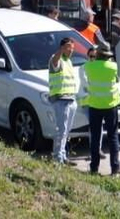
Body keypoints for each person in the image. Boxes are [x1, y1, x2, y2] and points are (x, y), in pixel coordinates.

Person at [82, 43, 120, 175]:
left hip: (94, 105)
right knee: (113, 137)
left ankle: (94, 168)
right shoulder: (114, 67)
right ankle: (115, 168)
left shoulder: (89, 66)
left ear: (97, 54)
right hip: (111, 105)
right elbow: (118, 80)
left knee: (95, 137)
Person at [47, 34, 81, 165]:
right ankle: (57, 158)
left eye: (72, 48)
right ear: (61, 48)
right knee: (61, 130)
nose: (71, 50)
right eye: (68, 48)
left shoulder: (69, 61)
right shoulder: (57, 59)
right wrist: (60, 51)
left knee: (66, 130)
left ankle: (63, 156)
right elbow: (55, 62)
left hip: (70, 99)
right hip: (61, 100)